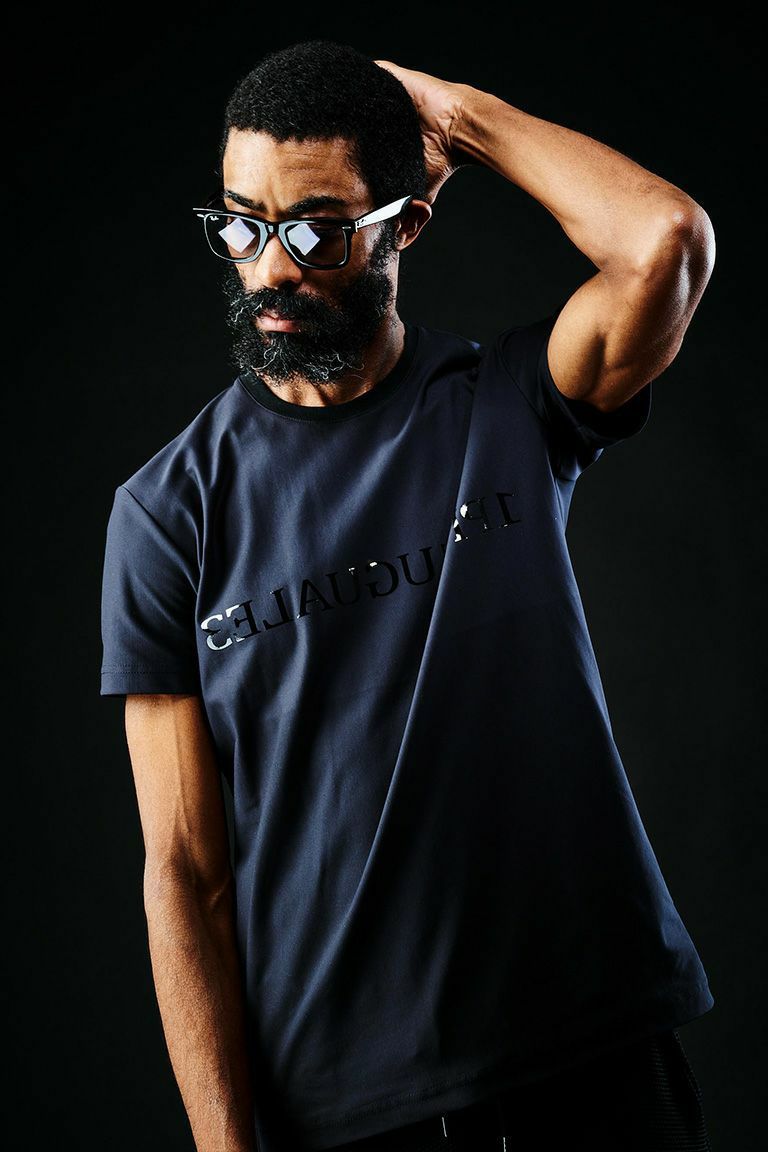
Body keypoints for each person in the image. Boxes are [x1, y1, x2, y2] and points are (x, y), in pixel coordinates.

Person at [99, 39, 717, 1152]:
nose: (271, 268)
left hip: (597, 1055)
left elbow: (663, 240)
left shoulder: (507, 406)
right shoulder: (168, 511)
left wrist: (459, 116)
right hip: (349, 1106)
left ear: (404, 227)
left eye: (319, 230)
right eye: (243, 224)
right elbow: (185, 875)